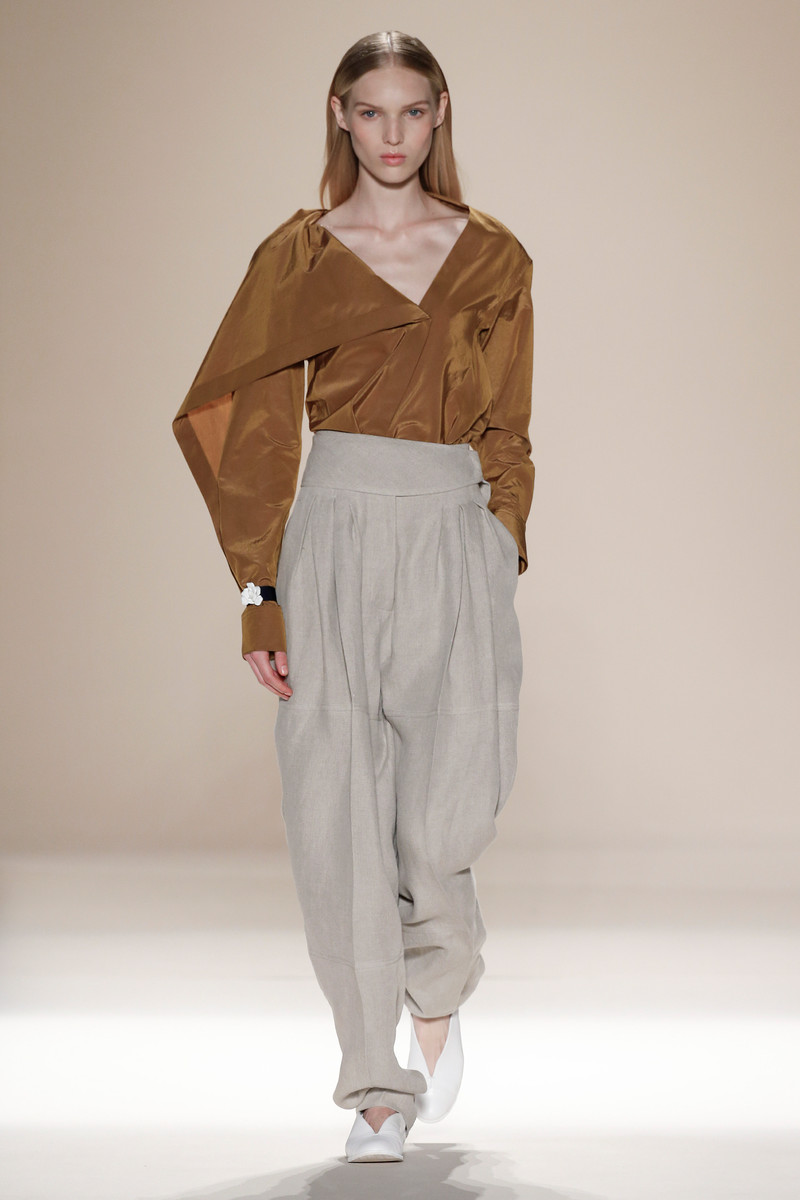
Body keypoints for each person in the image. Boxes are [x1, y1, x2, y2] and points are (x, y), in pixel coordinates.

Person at [173, 30, 534, 1164]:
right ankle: (374, 1084)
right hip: (330, 531)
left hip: (450, 529)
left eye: (412, 111)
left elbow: (509, 422)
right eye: (370, 111)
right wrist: (260, 592)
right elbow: (249, 423)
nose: (392, 133)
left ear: (440, 115)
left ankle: (439, 977)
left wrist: (498, 538)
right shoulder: (297, 255)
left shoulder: (492, 256)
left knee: (446, 808)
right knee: (333, 805)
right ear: (339, 114)